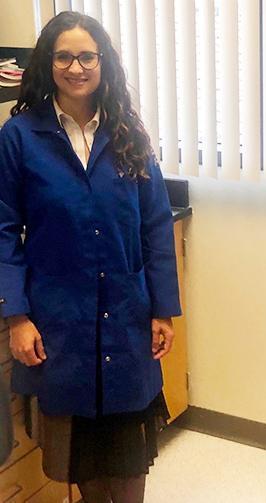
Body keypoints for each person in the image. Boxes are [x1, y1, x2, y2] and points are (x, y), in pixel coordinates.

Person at [0, 11, 181, 503]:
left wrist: (163, 309)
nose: (75, 67)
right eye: (63, 57)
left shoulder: (128, 135)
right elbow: (4, 231)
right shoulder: (20, 138)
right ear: (47, 63)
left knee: (128, 453)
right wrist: (17, 317)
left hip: (127, 313)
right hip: (59, 319)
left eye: (86, 56)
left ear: (103, 63)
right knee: (82, 454)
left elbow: (156, 226)